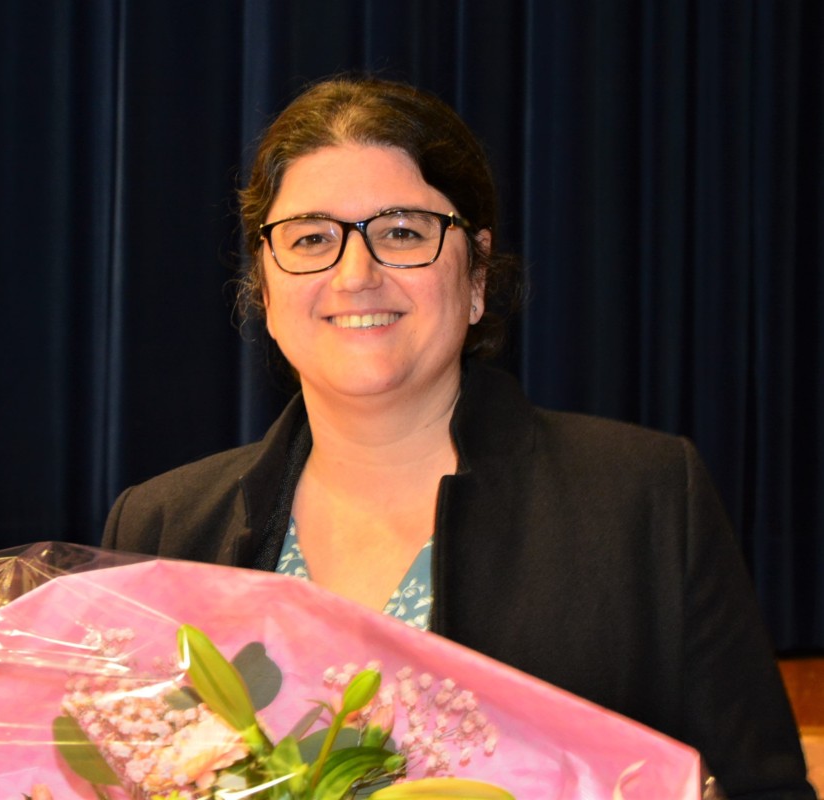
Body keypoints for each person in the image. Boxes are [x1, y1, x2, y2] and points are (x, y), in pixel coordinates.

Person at [101, 76, 814, 798]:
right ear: (265, 287)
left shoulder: (645, 502)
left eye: (402, 233)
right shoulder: (162, 527)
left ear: (475, 275)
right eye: (312, 238)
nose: (355, 274)